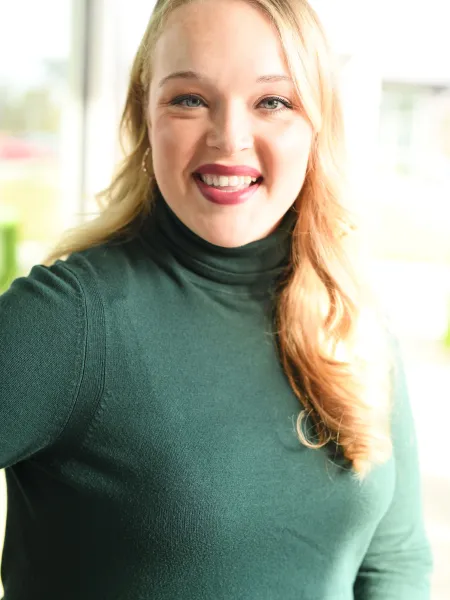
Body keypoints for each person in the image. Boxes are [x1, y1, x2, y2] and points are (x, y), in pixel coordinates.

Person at [0, 0, 433, 598]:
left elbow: (395, 562)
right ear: (145, 115)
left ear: (317, 124)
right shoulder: (69, 321)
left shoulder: (351, 319)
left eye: (272, 102)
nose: (229, 138)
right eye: (189, 99)